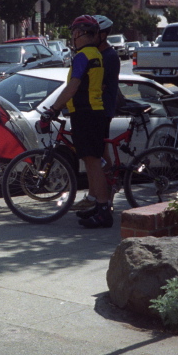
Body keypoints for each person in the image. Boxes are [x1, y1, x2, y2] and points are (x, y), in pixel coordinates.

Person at [41, 15, 113, 228]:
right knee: (92, 162)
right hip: (93, 112)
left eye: (74, 34)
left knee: (93, 162)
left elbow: (72, 87)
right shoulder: (95, 54)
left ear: (83, 34)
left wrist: (54, 109)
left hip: (87, 113)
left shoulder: (83, 56)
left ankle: (103, 210)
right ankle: (100, 207)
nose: (73, 38)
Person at [74, 15, 122, 219]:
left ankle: (106, 196)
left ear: (102, 35)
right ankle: (95, 196)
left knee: (101, 157)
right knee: (94, 157)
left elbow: (98, 84)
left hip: (102, 109)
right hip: (95, 109)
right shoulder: (94, 54)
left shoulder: (109, 56)